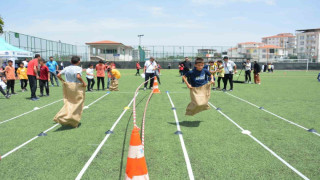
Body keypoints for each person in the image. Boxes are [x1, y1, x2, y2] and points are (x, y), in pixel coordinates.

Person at [55, 56, 86, 128]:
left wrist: (63, 81)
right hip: (76, 86)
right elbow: (78, 76)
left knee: (69, 102)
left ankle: (64, 116)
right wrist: (84, 83)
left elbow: (58, 75)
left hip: (68, 86)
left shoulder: (66, 68)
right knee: (78, 103)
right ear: (78, 62)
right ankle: (74, 121)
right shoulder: (79, 68)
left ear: (71, 62)